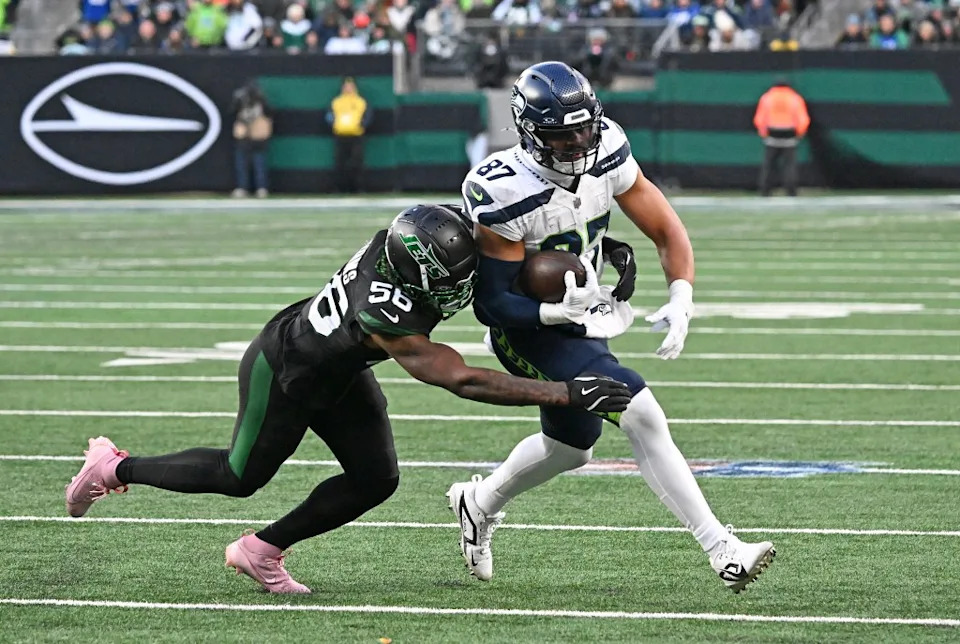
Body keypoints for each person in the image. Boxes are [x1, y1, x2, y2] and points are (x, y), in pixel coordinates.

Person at [64, 205, 633, 594]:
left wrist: (593, 251)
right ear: (417, 275)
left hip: (342, 367)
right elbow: (460, 378)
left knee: (375, 478)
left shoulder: (435, 234)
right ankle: (114, 466)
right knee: (240, 474)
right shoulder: (386, 306)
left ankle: (261, 550)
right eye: (449, 281)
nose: (463, 289)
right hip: (289, 368)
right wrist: (563, 392)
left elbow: (514, 242)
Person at [449, 62, 776, 592]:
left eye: (584, 128)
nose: (579, 142)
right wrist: (552, 312)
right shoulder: (501, 189)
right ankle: (724, 550)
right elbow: (493, 303)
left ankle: (478, 501)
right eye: (562, 134)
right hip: (527, 328)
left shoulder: (608, 147)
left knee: (573, 447)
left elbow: (665, 226)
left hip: (585, 313)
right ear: (529, 131)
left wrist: (681, 295)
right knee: (638, 408)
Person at [753, 78, 809, 197]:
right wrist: (799, 133)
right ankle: (791, 191)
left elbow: (759, 118)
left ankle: (765, 191)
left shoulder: (767, 98)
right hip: (789, 134)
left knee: (769, 165)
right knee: (789, 165)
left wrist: (763, 132)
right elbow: (803, 119)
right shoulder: (795, 98)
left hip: (772, 133)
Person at [231, 80, 274, 198]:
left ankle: (261, 187)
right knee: (242, 164)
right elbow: (233, 112)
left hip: (258, 137)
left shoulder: (262, 104)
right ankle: (243, 187)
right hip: (244, 137)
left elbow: (269, 117)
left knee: (259, 164)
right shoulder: (241, 101)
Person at [327, 77, 370, 193]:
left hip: (356, 136)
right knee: (340, 163)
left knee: (356, 163)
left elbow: (367, 116)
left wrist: (362, 125)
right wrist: (334, 125)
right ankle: (339, 188)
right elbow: (329, 116)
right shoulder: (337, 102)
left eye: (350, 86)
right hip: (340, 136)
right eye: (346, 86)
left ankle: (358, 188)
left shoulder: (360, 102)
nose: (348, 89)